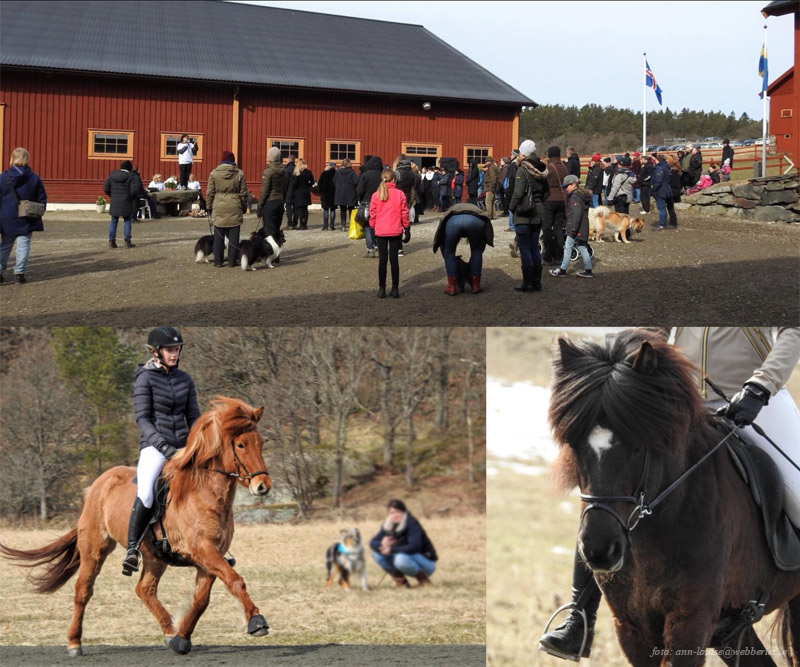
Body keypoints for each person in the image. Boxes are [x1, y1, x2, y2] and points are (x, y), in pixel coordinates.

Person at [539, 326, 800, 662]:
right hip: (679, 397)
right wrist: (639, 365)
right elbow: (654, 329)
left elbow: (792, 329)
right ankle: (579, 617)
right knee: (608, 495)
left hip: (758, 398)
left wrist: (762, 385)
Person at [122, 326, 201, 576]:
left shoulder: (185, 379)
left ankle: (210, 543)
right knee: (146, 492)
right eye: (169, 350)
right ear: (156, 352)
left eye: (176, 349)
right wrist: (162, 445)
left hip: (183, 446)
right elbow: (143, 419)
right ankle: (132, 549)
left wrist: (198, 443)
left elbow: (194, 417)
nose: (174, 354)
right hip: (155, 447)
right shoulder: (145, 379)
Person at [0, 147, 47, 284]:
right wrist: (40, 209)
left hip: (7, 216)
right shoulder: (34, 178)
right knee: (23, 245)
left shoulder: (4, 177)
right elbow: (42, 197)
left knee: (5, 245)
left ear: (13, 158)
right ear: (27, 159)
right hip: (27, 215)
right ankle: (19, 274)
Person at [509, 140, 549, 292]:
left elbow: (518, 193)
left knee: (524, 248)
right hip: (538, 213)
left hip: (524, 213)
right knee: (534, 248)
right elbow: (547, 192)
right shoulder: (541, 169)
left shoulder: (523, 170)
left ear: (523, 154)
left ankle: (528, 283)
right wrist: (538, 201)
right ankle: (537, 282)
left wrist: (511, 207)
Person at [369, 499, 437, 588]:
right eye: (392, 512)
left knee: (400, 558)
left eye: (398, 512)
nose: (395, 515)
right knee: (377, 554)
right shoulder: (388, 525)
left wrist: (392, 549)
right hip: (404, 559)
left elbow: (415, 546)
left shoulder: (412, 523)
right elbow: (373, 542)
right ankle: (401, 582)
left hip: (425, 562)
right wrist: (381, 544)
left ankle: (424, 581)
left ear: (404, 511)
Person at [433, 202, 494, 295]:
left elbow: (442, 239)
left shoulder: (451, 209)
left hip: (454, 221)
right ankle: (476, 285)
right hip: (476, 220)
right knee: (476, 251)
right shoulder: (476, 208)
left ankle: (452, 286)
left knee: (449, 252)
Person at [369, 167, 409, 299]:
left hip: (381, 231)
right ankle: (395, 289)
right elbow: (404, 212)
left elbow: (372, 213)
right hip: (395, 230)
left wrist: (373, 227)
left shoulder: (376, 195)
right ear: (394, 179)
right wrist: (407, 228)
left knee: (382, 260)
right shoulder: (400, 194)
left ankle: (381, 289)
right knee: (394, 260)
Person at [206, 150, 249, 267]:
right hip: (235, 205)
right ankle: (232, 261)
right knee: (234, 237)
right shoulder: (239, 174)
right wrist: (244, 207)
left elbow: (210, 192)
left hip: (219, 205)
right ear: (233, 161)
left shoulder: (214, 173)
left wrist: (208, 207)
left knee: (218, 236)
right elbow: (243, 193)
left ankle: (218, 261)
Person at [549, 174, 593, 279]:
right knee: (582, 247)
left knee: (568, 247)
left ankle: (563, 270)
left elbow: (576, 215)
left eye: (567, 186)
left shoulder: (574, 197)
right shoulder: (582, 196)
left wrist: (572, 229)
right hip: (582, 227)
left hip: (575, 228)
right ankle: (588, 270)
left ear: (574, 185)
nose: (565, 189)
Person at [542, 146, 569, 265]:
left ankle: (548, 255)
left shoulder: (548, 168)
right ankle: (559, 255)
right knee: (558, 228)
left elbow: (543, 183)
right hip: (562, 199)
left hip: (549, 199)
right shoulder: (564, 168)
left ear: (549, 155)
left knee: (547, 228)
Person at [104, 159, 138, 249]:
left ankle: (112, 241)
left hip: (115, 201)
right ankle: (127, 241)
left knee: (114, 220)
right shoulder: (131, 176)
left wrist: (112, 195)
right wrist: (130, 197)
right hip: (126, 201)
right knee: (127, 220)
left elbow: (106, 188)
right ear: (130, 168)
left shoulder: (112, 175)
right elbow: (134, 190)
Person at [356, 155, 384, 257]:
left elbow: (359, 190)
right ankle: (378, 246)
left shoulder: (366, 175)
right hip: (381, 203)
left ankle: (370, 248)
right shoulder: (383, 175)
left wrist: (360, 198)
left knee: (367, 226)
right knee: (378, 226)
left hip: (367, 202)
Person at [257, 146, 285, 240]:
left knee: (269, 230)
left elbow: (265, 190)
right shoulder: (284, 171)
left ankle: (270, 252)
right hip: (280, 201)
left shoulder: (268, 172)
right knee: (277, 229)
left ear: (269, 158)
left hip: (270, 202)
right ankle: (276, 254)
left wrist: (260, 205)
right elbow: (285, 187)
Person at [334, 158, 359, 232]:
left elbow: (334, 181)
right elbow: (356, 181)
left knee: (343, 210)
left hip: (341, 193)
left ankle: (343, 226)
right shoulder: (352, 172)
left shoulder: (338, 172)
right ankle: (351, 225)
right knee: (351, 209)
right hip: (350, 193)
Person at [651, 154, 675, 230]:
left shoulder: (660, 168)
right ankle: (665, 223)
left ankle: (662, 224)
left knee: (661, 208)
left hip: (661, 190)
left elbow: (658, 180)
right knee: (665, 207)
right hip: (667, 189)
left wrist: (654, 189)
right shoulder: (667, 167)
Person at [290, 158, 314, 230]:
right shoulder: (308, 172)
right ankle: (305, 224)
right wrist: (308, 185)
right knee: (305, 209)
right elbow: (312, 182)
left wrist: (297, 177)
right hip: (306, 192)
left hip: (298, 193)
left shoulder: (297, 173)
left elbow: (294, 184)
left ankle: (301, 225)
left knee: (300, 210)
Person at [283, 155, 296, 229]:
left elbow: (286, 182)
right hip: (295, 191)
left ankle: (290, 224)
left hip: (288, 191)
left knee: (288, 207)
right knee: (295, 207)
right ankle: (295, 223)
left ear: (289, 160)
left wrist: (283, 191)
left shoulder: (287, 170)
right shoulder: (296, 168)